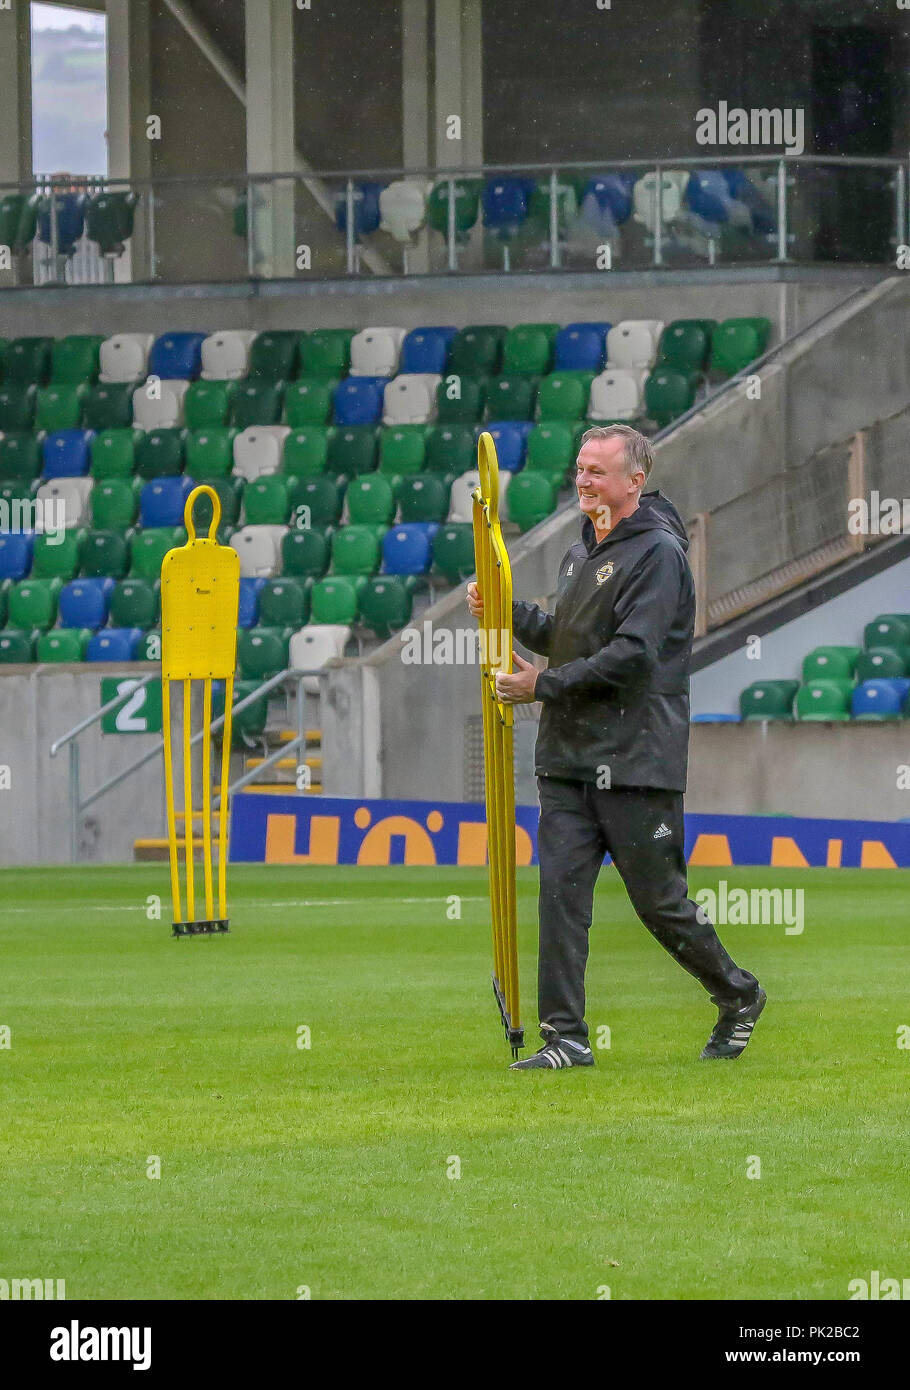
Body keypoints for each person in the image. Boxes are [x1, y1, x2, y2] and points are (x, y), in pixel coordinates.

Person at [466, 424, 765, 1071]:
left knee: (659, 905)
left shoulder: (658, 554)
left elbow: (631, 657)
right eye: (579, 469)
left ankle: (737, 994)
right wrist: (506, 612)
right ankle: (566, 1039)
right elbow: (569, 639)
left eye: (597, 472)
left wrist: (540, 685)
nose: (582, 481)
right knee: (560, 897)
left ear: (635, 481)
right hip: (568, 761)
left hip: (635, 762)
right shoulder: (583, 552)